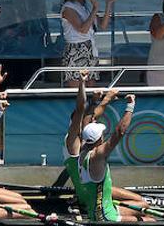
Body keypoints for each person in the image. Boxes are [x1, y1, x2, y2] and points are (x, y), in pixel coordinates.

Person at [62, 79, 146, 208]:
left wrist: (100, 100)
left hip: (94, 188)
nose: (89, 121)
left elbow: (91, 116)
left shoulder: (84, 139)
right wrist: (82, 83)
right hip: (89, 196)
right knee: (142, 205)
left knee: (139, 199)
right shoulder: (72, 142)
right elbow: (80, 110)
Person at [77, 95, 149, 221]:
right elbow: (119, 133)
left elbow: (86, 123)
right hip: (105, 217)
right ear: (99, 139)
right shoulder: (97, 155)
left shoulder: (83, 150)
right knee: (149, 220)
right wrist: (130, 106)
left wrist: (100, 101)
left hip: (101, 210)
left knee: (144, 206)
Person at [59, 0, 120, 84]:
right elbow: (82, 29)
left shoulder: (84, 7)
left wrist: (108, 4)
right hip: (75, 50)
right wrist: (95, 8)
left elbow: (103, 25)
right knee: (78, 91)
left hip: (90, 50)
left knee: (91, 89)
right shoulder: (68, 8)